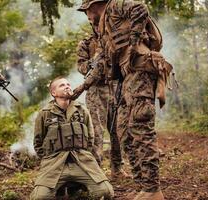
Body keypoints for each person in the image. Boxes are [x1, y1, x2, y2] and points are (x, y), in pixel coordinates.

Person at [73, 0, 174, 199]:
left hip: (140, 71)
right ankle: (143, 186)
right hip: (127, 79)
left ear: (93, 6)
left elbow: (140, 8)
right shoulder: (103, 30)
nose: (87, 16)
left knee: (140, 126)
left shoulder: (115, 5)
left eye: (86, 10)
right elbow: (100, 64)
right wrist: (81, 87)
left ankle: (153, 190)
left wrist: (134, 44)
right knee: (124, 131)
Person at [30, 77, 114, 200]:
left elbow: (91, 138)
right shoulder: (44, 113)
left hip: (81, 162)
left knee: (105, 192)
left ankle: (77, 188)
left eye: (68, 84)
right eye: (62, 85)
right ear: (54, 93)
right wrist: (49, 159)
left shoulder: (82, 110)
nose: (67, 86)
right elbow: (38, 142)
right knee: (39, 197)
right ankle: (59, 189)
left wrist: (84, 155)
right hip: (54, 165)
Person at [76, 25, 127, 179]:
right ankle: (96, 171)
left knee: (117, 130)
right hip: (95, 91)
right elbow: (81, 67)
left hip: (115, 88)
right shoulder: (85, 44)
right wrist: (96, 60)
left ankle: (117, 169)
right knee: (96, 131)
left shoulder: (113, 40)